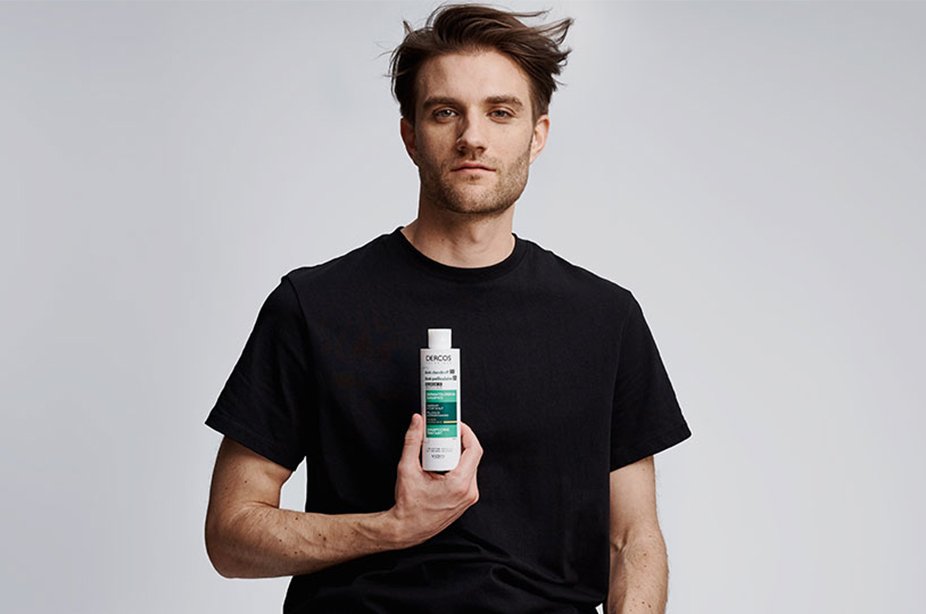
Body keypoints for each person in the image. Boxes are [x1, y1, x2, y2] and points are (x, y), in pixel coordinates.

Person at [204, 5, 691, 613]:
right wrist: (392, 527)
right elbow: (230, 534)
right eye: (444, 112)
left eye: (500, 112)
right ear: (410, 135)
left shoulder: (604, 318)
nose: (472, 137)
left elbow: (632, 539)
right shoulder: (313, 304)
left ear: (538, 134)